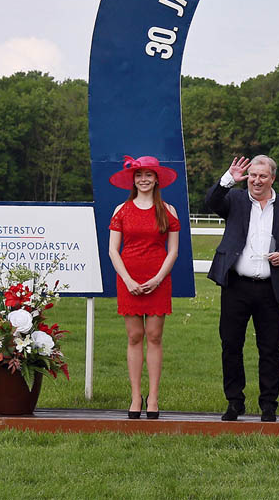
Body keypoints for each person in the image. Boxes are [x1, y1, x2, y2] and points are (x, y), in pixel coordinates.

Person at [205, 155, 279, 423]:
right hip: (236, 286)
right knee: (231, 345)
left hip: (270, 289)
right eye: (253, 175)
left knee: (270, 349)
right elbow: (211, 202)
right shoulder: (234, 200)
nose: (256, 181)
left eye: (262, 176)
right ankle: (234, 402)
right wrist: (228, 178)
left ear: (272, 178)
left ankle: (268, 405)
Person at [108, 155, 181, 420]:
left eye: (148, 175)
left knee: (154, 336)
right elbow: (113, 250)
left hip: (158, 279)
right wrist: (128, 280)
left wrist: (158, 278)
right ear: (133, 179)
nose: (144, 179)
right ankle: (135, 396)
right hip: (128, 279)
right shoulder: (121, 210)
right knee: (134, 336)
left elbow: (173, 251)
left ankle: (153, 398)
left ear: (157, 179)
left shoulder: (168, 210)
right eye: (139, 175)